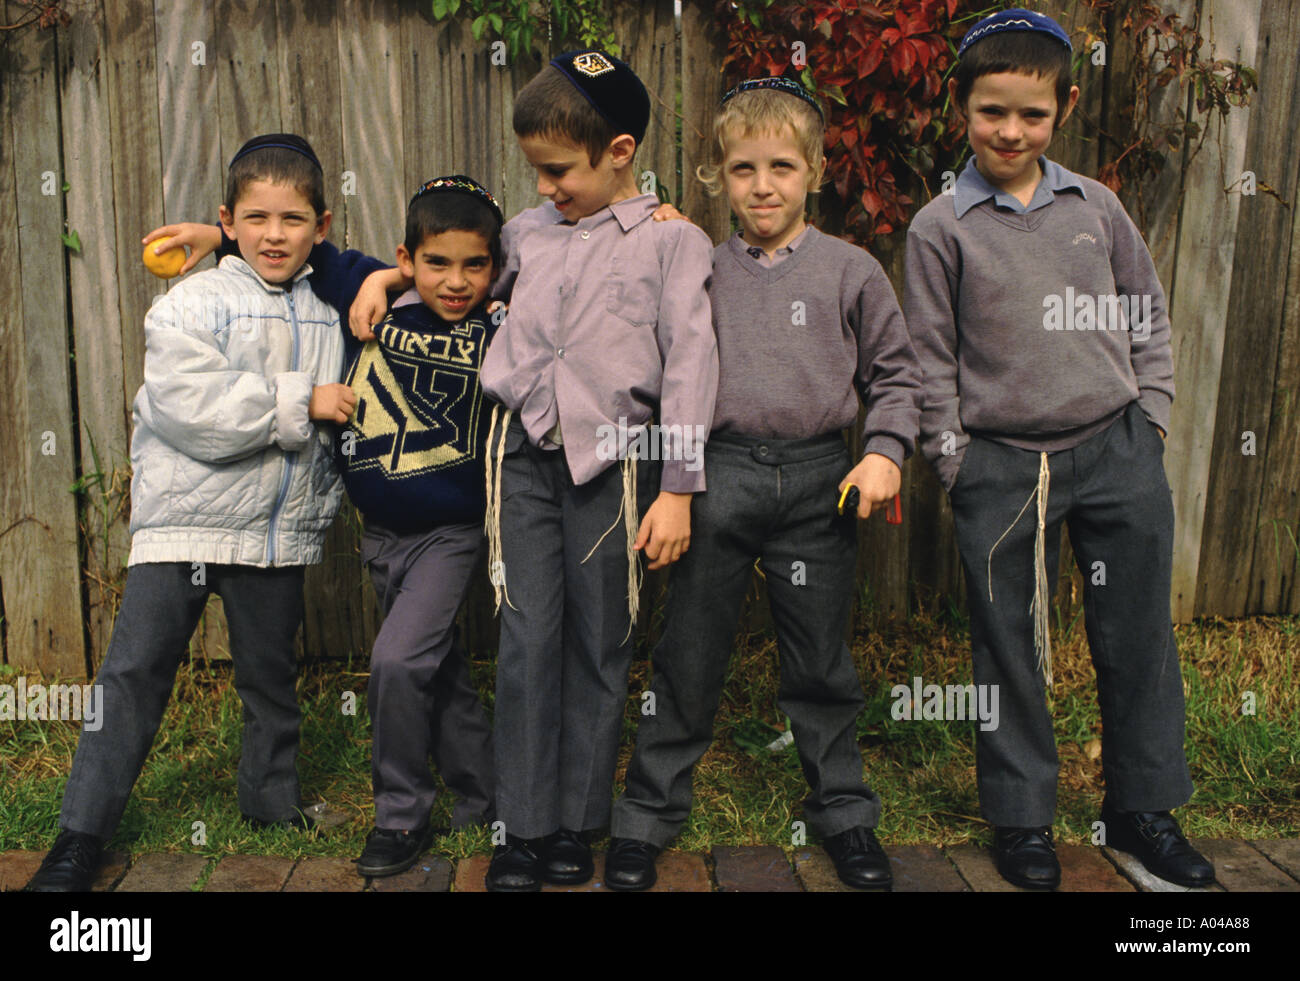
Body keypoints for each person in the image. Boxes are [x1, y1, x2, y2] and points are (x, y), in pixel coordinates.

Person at [903, 9, 1214, 889]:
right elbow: (931, 359)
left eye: (1031, 114)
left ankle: (1141, 809)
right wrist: (955, 458)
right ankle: (1023, 817)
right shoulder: (940, 228)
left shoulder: (1096, 207)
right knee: (1009, 643)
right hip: (1004, 465)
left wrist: (1149, 419)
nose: (1011, 131)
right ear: (961, 106)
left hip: (1115, 450)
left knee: (1138, 634)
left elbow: (1146, 313)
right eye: (991, 111)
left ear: (1064, 109)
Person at [139, 176, 508, 878]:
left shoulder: (499, 318)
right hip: (378, 533)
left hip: (450, 533)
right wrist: (217, 237)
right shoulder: (372, 288)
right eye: (436, 263)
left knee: (396, 661)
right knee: (439, 667)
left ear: (495, 265)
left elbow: (549, 268)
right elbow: (301, 248)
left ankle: (400, 814)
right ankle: (484, 798)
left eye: (475, 265)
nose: (456, 281)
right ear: (407, 256)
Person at [605, 77, 923, 891]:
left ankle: (845, 813)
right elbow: (671, 372)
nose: (764, 186)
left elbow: (896, 376)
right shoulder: (699, 270)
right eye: (743, 169)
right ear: (718, 175)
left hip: (821, 481)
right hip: (720, 473)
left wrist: (884, 449)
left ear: (814, 169)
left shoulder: (852, 271)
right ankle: (645, 818)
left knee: (821, 660)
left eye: (782, 166)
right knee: (689, 652)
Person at [27, 134, 349, 891]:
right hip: (185, 525)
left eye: (294, 219)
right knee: (134, 672)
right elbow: (189, 407)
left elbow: (403, 275)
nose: (275, 234)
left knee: (270, 676)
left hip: (274, 534)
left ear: (323, 227)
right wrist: (300, 398)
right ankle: (80, 834)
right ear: (226, 220)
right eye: (256, 217)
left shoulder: (332, 313)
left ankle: (270, 803)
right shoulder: (191, 303)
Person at [477, 49, 719, 891]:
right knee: (527, 637)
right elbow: (453, 278)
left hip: (610, 470)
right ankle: (523, 825)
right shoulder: (522, 234)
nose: (545, 187)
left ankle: (580, 820)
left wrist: (680, 488)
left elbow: (691, 366)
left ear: (619, 151)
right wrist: (386, 280)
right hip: (521, 461)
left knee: (599, 639)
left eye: (558, 171)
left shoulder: (674, 243)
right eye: (535, 171)